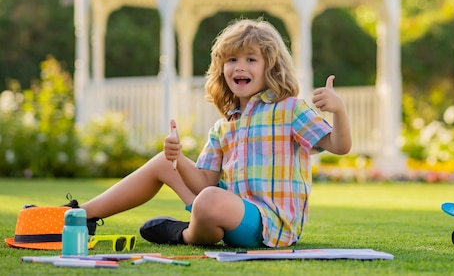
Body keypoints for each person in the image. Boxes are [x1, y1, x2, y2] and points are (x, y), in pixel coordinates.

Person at [80, 18, 352, 248]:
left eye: (251, 59)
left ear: (271, 67)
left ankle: (184, 234)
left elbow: (340, 146)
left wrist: (338, 111)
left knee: (209, 202)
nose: (240, 66)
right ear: (222, 69)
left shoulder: (291, 110)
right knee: (166, 163)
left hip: (269, 225)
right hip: (225, 206)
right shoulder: (224, 126)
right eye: (232, 59)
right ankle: (79, 216)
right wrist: (177, 158)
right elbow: (203, 184)